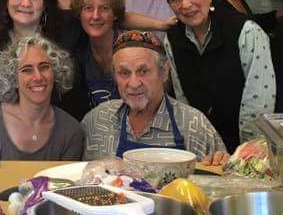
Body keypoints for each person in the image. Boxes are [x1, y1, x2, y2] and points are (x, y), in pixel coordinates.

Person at [161, 0, 275, 151]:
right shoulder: (172, 39)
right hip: (202, 151)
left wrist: (245, 155)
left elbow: (258, 105)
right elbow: (184, 105)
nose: (186, 4)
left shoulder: (247, 32)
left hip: (246, 149)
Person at [82, 31, 227, 163]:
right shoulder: (97, 120)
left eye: (143, 71)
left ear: (164, 72)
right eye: (124, 73)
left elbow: (224, 180)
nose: (133, 83)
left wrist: (222, 165)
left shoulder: (195, 124)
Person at [0, 34, 85, 161]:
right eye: (27, 70)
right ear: (13, 79)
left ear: (55, 72)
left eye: (44, 67)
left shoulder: (70, 131)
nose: (38, 77)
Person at [70, 0, 124, 109]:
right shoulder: (77, 52)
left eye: (104, 8)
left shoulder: (131, 49)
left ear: (115, 14)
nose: (95, 16)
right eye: (88, 8)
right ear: (79, 14)